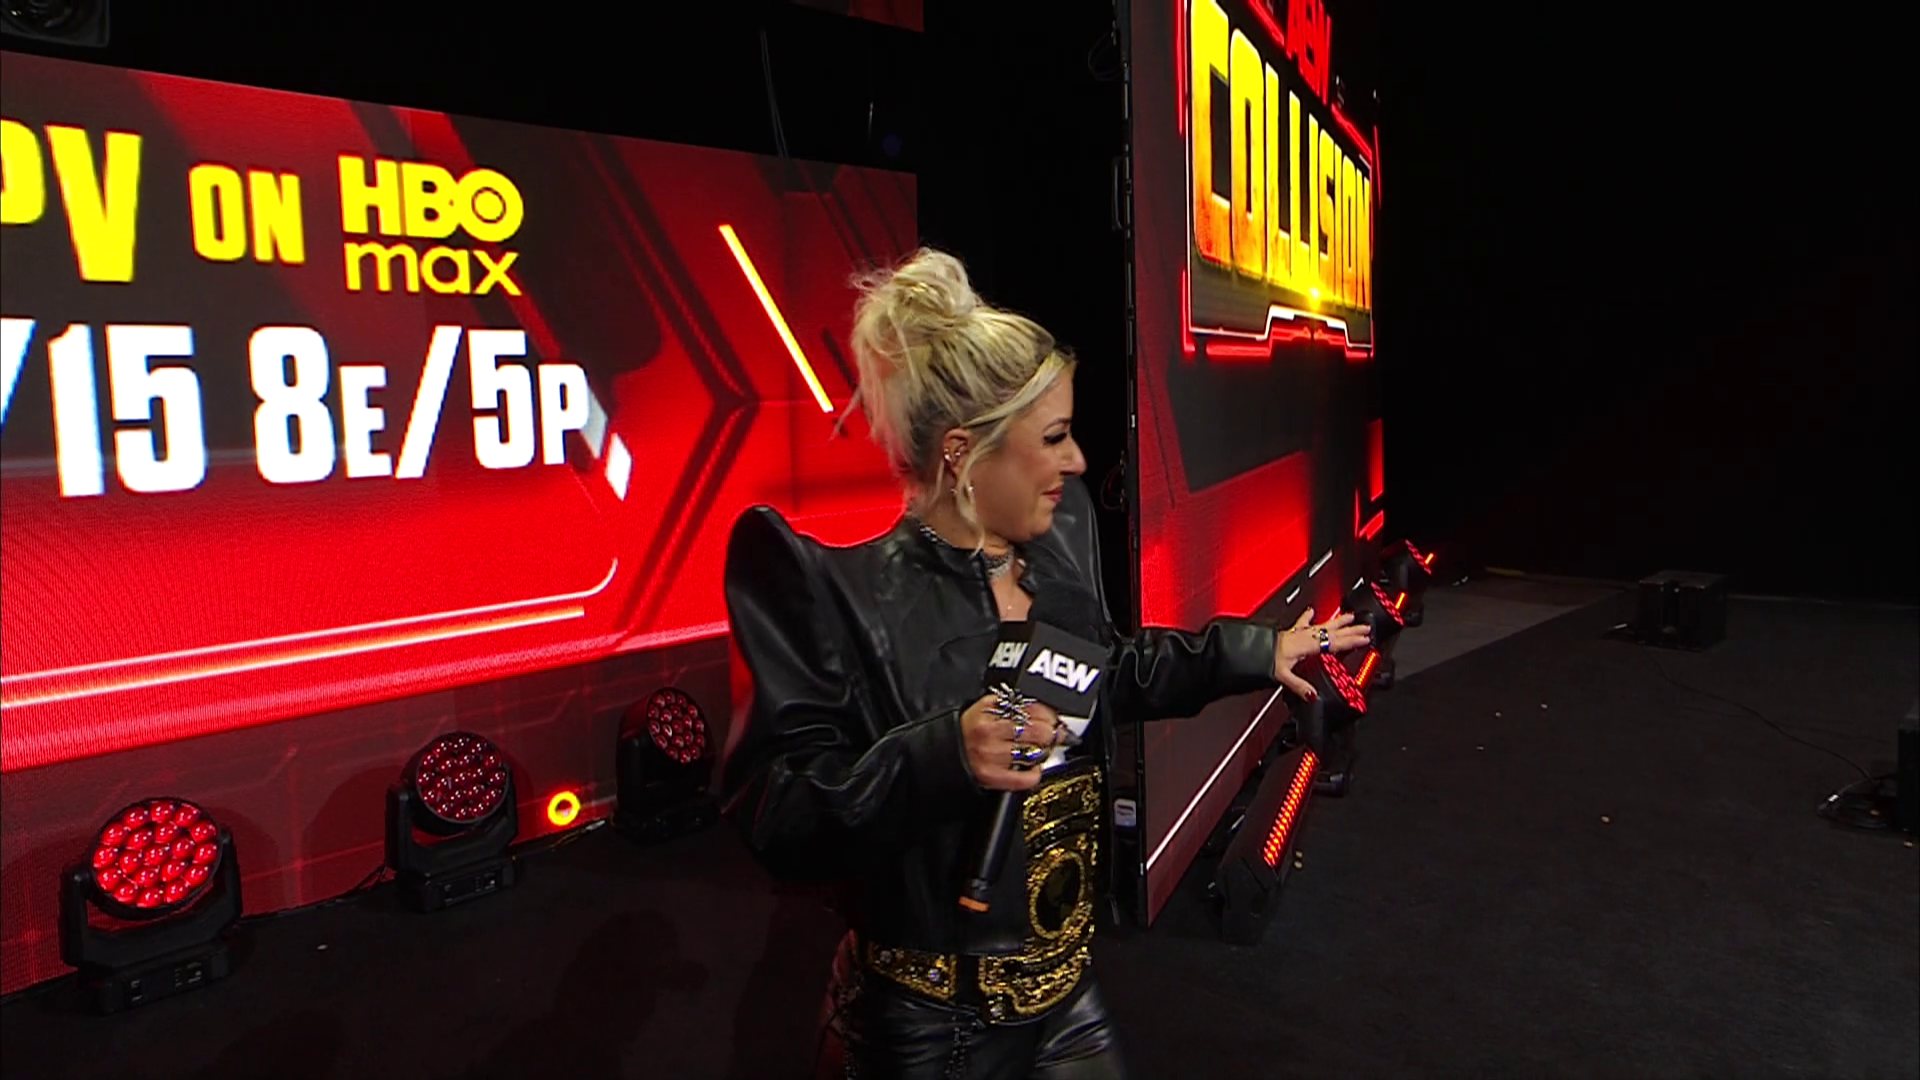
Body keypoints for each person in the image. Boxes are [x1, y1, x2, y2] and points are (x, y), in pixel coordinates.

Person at [721, 249, 1372, 1078]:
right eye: (1055, 438)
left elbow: (1109, 671)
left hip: (1066, 1000)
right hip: (926, 1028)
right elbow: (779, 813)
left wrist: (1254, 650)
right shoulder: (830, 594)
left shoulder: (1056, 549)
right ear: (963, 454)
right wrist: (944, 755)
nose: (1077, 462)